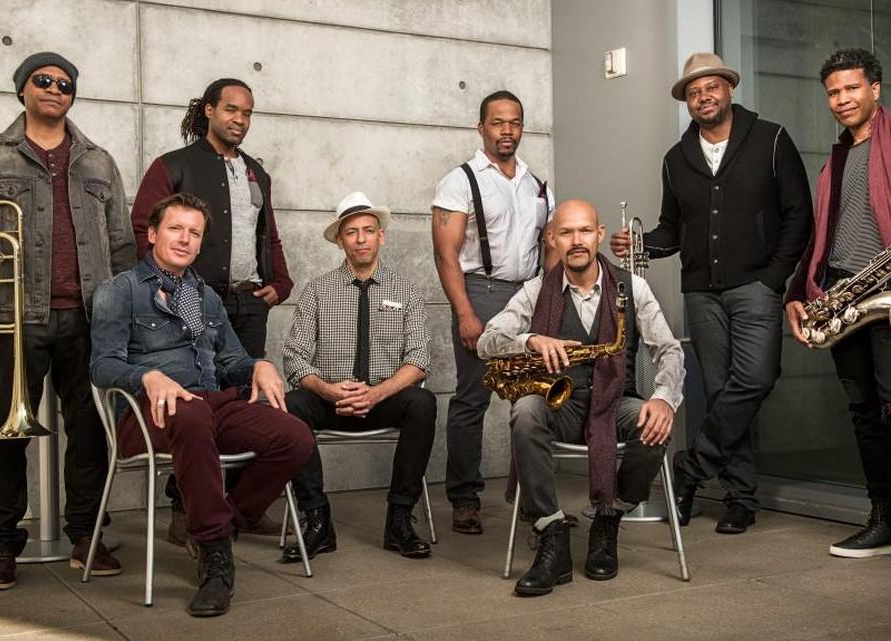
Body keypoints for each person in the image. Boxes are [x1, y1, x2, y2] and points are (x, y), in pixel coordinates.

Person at [0, 51, 136, 591]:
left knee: (91, 432)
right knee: (5, 435)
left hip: (90, 317)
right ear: (22, 89)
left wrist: (127, 320)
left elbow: (121, 246)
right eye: (43, 80)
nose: (55, 88)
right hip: (12, 319)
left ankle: (86, 535)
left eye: (65, 84)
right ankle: (1, 545)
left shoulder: (98, 160)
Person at [611, 52, 812, 534]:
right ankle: (740, 500)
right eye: (694, 93)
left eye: (711, 88)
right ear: (688, 102)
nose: (703, 97)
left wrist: (774, 277)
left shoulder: (771, 139)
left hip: (756, 286)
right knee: (721, 392)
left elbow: (799, 214)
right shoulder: (676, 159)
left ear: (729, 89)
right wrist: (641, 244)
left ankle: (690, 468)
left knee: (757, 378)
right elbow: (671, 230)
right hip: (701, 292)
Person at [90, 193, 314, 615]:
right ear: (153, 233)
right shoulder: (119, 291)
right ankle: (216, 560)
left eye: (194, 233)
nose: (185, 239)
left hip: (209, 403)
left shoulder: (205, 296)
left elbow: (230, 360)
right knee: (188, 410)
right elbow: (102, 366)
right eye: (175, 228)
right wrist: (148, 376)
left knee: (294, 435)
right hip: (146, 412)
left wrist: (258, 365)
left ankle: (221, 527)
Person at [785, 48, 891, 578]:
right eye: (833, 92)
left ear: (875, 88)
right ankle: (887, 520)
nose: (841, 100)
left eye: (851, 88)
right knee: (863, 413)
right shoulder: (834, 158)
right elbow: (821, 235)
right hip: (842, 292)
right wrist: (797, 290)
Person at [478, 199, 685, 596]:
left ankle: (609, 517)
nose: (577, 241)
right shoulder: (536, 289)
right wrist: (530, 339)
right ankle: (551, 531)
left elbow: (669, 350)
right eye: (567, 233)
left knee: (653, 420)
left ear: (600, 235)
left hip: (615, 402)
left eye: (585, 231)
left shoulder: (631, 286)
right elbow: (488, 341)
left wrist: (662, 397)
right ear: (552, 239)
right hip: (563, 405)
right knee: (525, 411)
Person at [131, 78, 294, 543]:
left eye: (247, 112)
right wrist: (159, 291)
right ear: (208, 111)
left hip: (247, 303)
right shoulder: (174, 166)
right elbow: (144, 227)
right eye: (230, 110)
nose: (239, 119)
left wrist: (279, 284)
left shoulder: (256, 173)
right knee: (193, 402)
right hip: (189, 298)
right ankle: (185, 509)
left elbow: (270, 234)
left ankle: (235, 505)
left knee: (247, 404)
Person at [280, 192, 436, 563]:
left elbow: (419, 359)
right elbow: (294, 358)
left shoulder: (406, 291)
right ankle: (317, 520)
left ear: (381, 236)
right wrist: (329, 392)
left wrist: (377, 393)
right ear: (340, 240)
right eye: (352, 232)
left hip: (383, 400)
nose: (361, 238)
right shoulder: (318, 290)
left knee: (423, 403)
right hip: (332, 400)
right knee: (290, 406)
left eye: (369, 230)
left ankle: (399, 519)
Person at [432, 90, 555, 534]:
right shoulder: (460, 181)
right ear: (480, 127)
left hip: (531, 294)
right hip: (480, 292)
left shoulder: (537, 184)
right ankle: (464, 497)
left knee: (535, 396)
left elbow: (553, 247)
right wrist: (465, 312)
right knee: (472, 397)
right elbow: (446, 256)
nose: (507, 130)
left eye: (515, 122)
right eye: (498, 122)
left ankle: (534, 499)